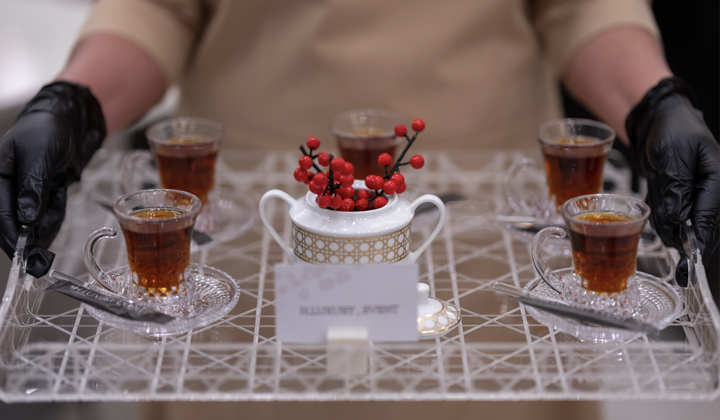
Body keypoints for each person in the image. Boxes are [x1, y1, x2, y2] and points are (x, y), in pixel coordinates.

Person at [0, 0, 717, 418]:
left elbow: (583, 7)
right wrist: (75, 104)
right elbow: (158, 9)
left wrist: (654, 103)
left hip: (481, 238)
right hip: (253, 231)